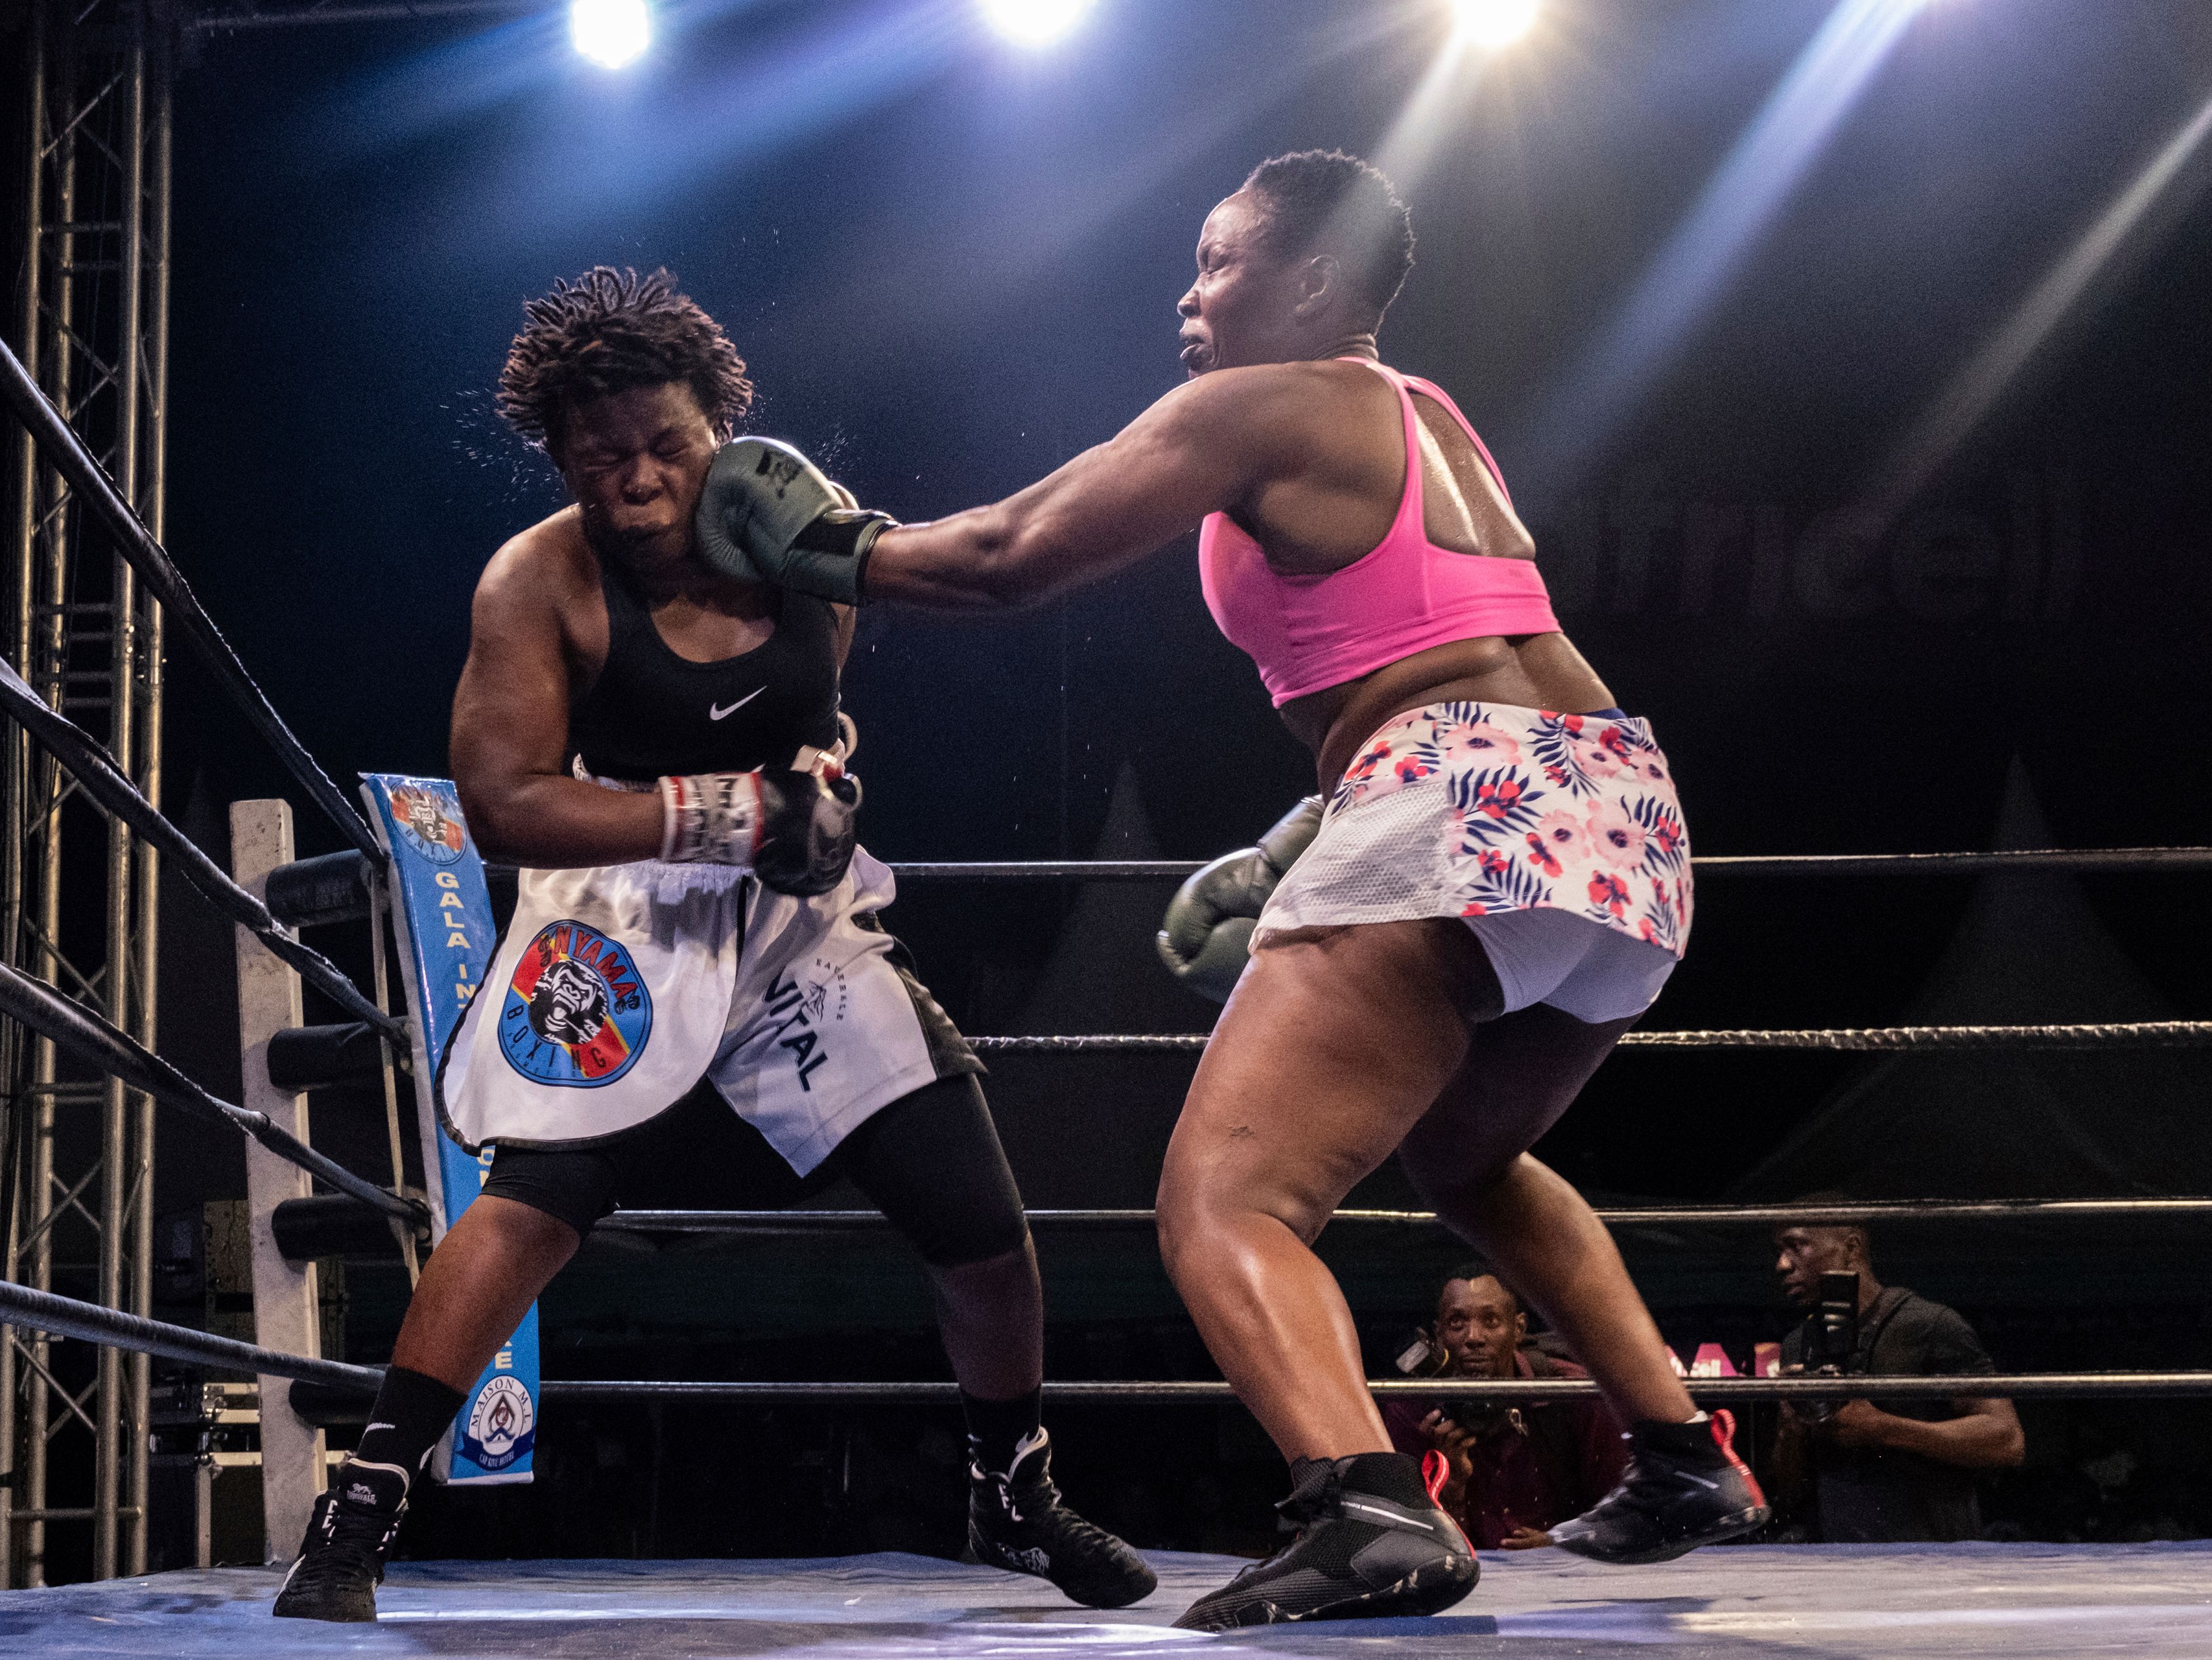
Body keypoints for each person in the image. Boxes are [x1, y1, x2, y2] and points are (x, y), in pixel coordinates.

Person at [695, 148, 1767, 1628]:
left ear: (1312, 283)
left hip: (1457, 793)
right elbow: (1453, 642)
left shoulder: (1258, 401)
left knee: (1224, 1196)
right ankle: (1673, 1448)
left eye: (1217, 262)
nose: (1187, 293)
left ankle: (1365, 1503)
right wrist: (1310, 836)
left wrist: (828, 547)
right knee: (1464, 1158)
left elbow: (1011, 556)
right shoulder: (1427, 414)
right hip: (1619, 811)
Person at [273, 267, 1151, 1622]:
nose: (636, 479)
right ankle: (365, 1504)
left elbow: (815, 696)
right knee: (534, 1199)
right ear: (563, 456)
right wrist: (721, 813)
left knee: (976, 1216)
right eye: (600, 454)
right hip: (615, 906)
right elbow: (503, 806)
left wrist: (814, 787)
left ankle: (1016, 1490)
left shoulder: (798, 528)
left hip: (793, 924)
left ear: (719, 424)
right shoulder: (536, 581)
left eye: (665, 445)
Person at [1770, 1204, 2023, 1542]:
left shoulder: (1928, 1325)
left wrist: (1883, 1428)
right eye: (1780, 1251)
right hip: (1836, 1559)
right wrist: (1791, 1427)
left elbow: (2007, 1440)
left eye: (1796, 1246)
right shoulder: (1799, 1343)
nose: (1782, 1265)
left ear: (1851, 1248)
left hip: (1934, 1557)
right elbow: (1789, 1489)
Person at [1382, 1268, 1629, 1552]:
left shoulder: (1573, 1392)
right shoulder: (1412, 1408)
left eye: (1491, 1321)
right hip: (1468, 1578)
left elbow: (1620, 1509)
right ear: (1439, 1335)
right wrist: (1450, 1491)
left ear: (1519, 1329)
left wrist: (1563, 1541)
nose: (1474, 1337)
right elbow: (1410, 1547)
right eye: (1457, 1322)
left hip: (1570, 1574)